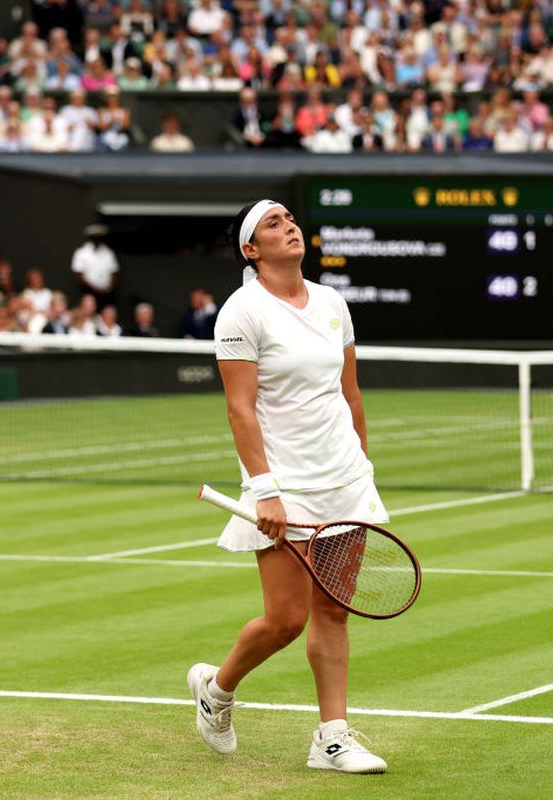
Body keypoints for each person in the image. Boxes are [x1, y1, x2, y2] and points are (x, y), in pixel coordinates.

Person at [188, 200, 389, 774]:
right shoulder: (241, 312)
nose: (290, 227)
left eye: (290, 219)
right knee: (285, 620)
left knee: (334, 611)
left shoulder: (332, 302)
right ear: (251, 250)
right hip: (284, 482)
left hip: (344, 477)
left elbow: (350, 394)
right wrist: (265, 490)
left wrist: (362, 467)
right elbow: (240, 410)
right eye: (272, 224)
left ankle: (332, 738)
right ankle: (217, 690)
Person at [71, 224, 119, 308]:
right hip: (88, 291)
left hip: (106, 294)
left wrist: (109, 288)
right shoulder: (82, 253)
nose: (97, 240)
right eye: (94, 237)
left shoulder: (108, 253)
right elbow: (78, 274)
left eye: (99, 237)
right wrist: (94, 289)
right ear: (90, 238)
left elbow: (114, 272)